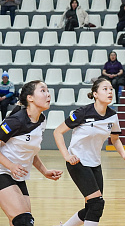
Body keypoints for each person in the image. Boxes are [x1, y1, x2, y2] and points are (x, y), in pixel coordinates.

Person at [53, 78, 125, 226]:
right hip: (78, 162)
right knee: (97, 204)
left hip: (95, 164)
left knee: (92, 207)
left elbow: (115, 139)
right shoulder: (82, 113)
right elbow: (58, 132)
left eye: (111, 89)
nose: (110, 92)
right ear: (95, 94)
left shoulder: (112, 116)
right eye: (105, 89)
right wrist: (67, 156)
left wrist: (124, 155)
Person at [0, 80, 63, 226]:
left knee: (19, 221)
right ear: (30, 98)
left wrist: (44, 171)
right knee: (24, 220)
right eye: (43, 91)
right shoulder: (16, 120)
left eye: (48, 91)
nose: (48, 94)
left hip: (17, 175)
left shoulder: (41, 120)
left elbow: (30, 152)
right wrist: (11, 166)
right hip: (3, 171)